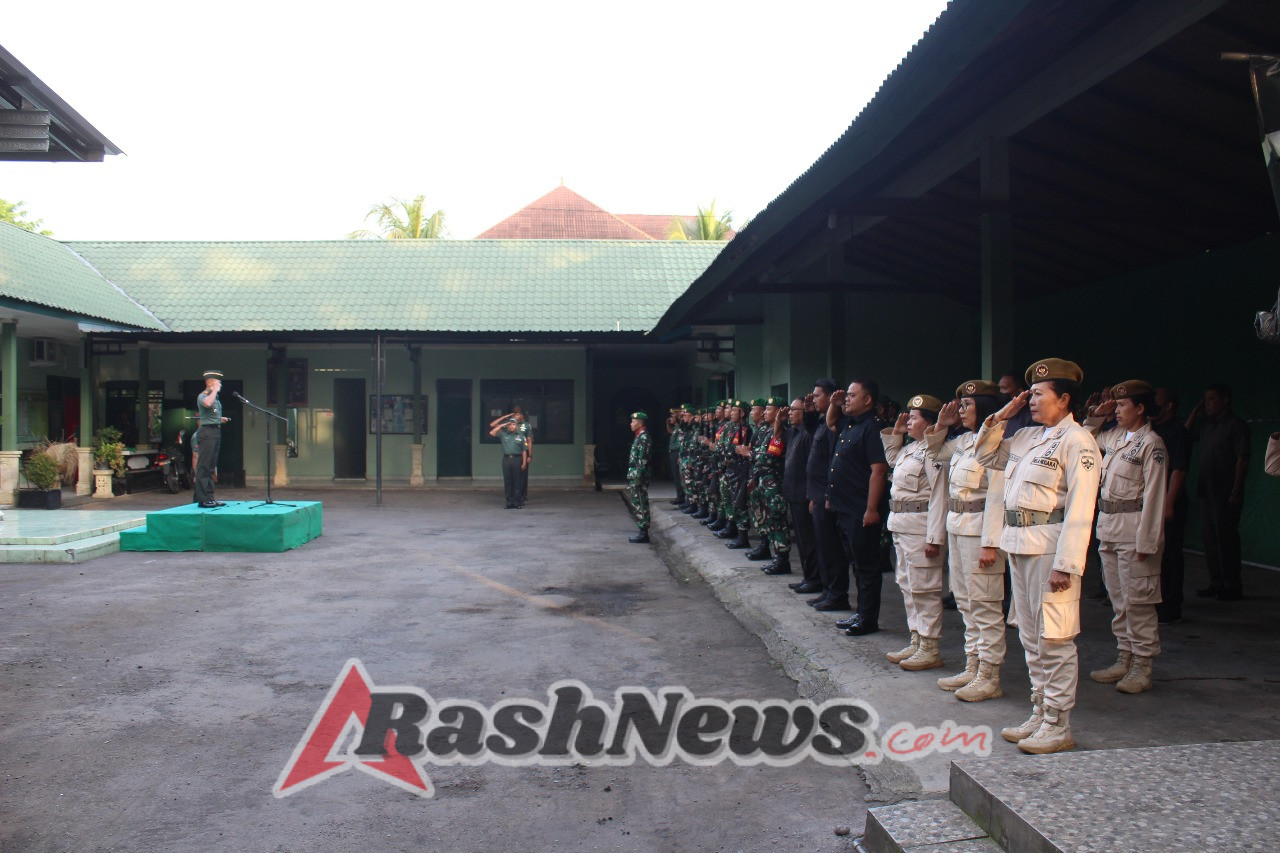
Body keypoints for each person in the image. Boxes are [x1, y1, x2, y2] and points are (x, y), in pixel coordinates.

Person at [974, 358, 1100, 755]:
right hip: (1019, 544)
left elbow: (1082, 506)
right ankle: (1040, 710)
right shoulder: (1027, 437)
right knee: (1030, 636)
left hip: (1050, 549)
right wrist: (1002, 414)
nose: (1031, 401)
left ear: (1064, 399)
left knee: (1055, 638)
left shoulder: (1077, 441)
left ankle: (1058, 722)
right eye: (1029, 395)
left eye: (1039, 394)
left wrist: (1067, 564)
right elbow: (986, 455)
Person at [1084, 380, 1168, 694]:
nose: (1116, 411)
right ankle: (1125, 655)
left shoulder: (1151, 443)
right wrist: (1097, 415)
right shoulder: (1115, 437)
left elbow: (1155, 496)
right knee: (1119, 601)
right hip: (1109, 528)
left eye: (1121, 405)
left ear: (1141, 408)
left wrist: (1148, 542)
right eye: (1115, 405)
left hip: (1134, 531)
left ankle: (1143, 665)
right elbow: (1083, 439)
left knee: (1139, 602)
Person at [925, 381, 1007, 702]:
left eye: (967, 405)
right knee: (964, 599)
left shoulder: (997, 443)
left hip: (980, 528)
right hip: (958, 525)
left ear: (985, 407)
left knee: (985, 603)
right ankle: (972, 664)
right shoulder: (962, 441)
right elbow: (933, 451)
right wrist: (941, 425)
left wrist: (991, 542)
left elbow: (998, 497)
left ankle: (990, 674)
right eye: (960, 405)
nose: (960, 409)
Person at [881, 395, 949, 670]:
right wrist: (896, 434)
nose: (908, 420)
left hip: (921, 529)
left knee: (925, 589)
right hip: (901, 525)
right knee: (908, 586)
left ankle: (930, 646)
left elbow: (940, 496)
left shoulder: (935, 453)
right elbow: (892, 460)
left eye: (914, 417)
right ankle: (916, 639)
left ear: (930, 422)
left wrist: (935, 537)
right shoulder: (910, 449)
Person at [826, 379, 890, 624]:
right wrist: (834, 403)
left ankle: (867, 617)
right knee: (856, 563)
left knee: (867, 567)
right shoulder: (850, 424)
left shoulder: (872, 428)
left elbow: (879, 471)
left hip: (860, 509)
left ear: (868, 400)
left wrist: (872, 509)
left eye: (852, 395)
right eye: (847, 396)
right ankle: (860, 612)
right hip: (845, 508)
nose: (847, 399)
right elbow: (831, 421)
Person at [1185, 383, 1251, 600]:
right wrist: (1196, 411)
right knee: (1210, 539)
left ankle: (1233, 585)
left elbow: (1242, 460)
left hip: (1224, 492)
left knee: (1226, 540)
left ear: (1225, 400)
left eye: (1212, 399)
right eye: (1205, 400)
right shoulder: (1206, 425)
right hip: (1206, 490)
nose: (1208, 403)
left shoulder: (1236, 426)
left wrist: (1236, 490)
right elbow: (1185, 434)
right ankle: (1216, 582)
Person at [1151, 387, 1191, 624]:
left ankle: (1171, 605)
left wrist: (1168, 503)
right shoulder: (1152, 430)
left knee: (1171, 554)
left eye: (1157, 402)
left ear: (1169, 406)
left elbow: (1179, 469)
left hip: (1168, 499)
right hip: (1151, 500)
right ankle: (1156, 600)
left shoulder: (1178, 432)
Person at [804, 379, 845, 599]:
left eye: (817, 396)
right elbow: (810, 430)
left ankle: (836, 593)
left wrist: (827, 494)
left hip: (826, 495)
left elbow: (832, 462)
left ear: (831, 398)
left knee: (831, 548)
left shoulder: (834, 426)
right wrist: (810, 412)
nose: (813, 399)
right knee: (822, 545)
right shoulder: (821, 424)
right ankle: (827, 589)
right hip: (817, 494)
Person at [782, 397, 820, 586]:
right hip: (793, 492)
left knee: (808, 539)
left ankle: (813, 579)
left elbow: (810, 467)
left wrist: (811, 495)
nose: (790, 413)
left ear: (804, 412)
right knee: (801, 539)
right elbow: (778, 434)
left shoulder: (808, 434)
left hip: (803, 494)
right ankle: (808, 577)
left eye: (793, 409)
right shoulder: (793, 432)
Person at [756, 397, 792, 574]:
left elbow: (769, 456)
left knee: (778, 521)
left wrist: (751, 454)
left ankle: (782, 559)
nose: (765, 412)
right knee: (769, 520)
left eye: (769, 409)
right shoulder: (767, 431)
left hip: (775, 483)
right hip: (766, 482)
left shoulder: (780, 432)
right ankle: (776, 556)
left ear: (779, 412)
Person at [194, 370, 229, 508]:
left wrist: (220, 419)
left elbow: (210, 414)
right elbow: (208, 404)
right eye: (217, 382)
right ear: (209, 382)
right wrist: (214, 390)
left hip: (215, 431)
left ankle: (210, 497)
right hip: (207, 432)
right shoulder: (203, 396)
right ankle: (202, 499)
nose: (220, 384)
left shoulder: (215, 398)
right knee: (203, 466)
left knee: (210, 467)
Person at [488, 415, 527, 509]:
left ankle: (517, 503)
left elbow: (524, 450)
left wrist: (524, 462)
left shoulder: (521, 436)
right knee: (508, 482)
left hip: (517, 459)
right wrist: (503, 425)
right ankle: (509, 503)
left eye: (514, 424)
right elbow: (492, 432)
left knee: (517, 481)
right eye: (510, 424)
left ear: (516, 425)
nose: (512, 426)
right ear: (508, 426)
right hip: (506, 460)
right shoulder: (504, 434)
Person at [625, 411, 652, 544]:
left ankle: (644, 532)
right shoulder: (638, 437)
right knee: (637, 503)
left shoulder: (644, 438)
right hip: (635, 475)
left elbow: (643, 459)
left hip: (639, 477)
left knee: (641, 503)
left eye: (633, 422)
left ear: (640, 423)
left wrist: (638, 477)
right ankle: (641, 530)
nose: (631, 424)